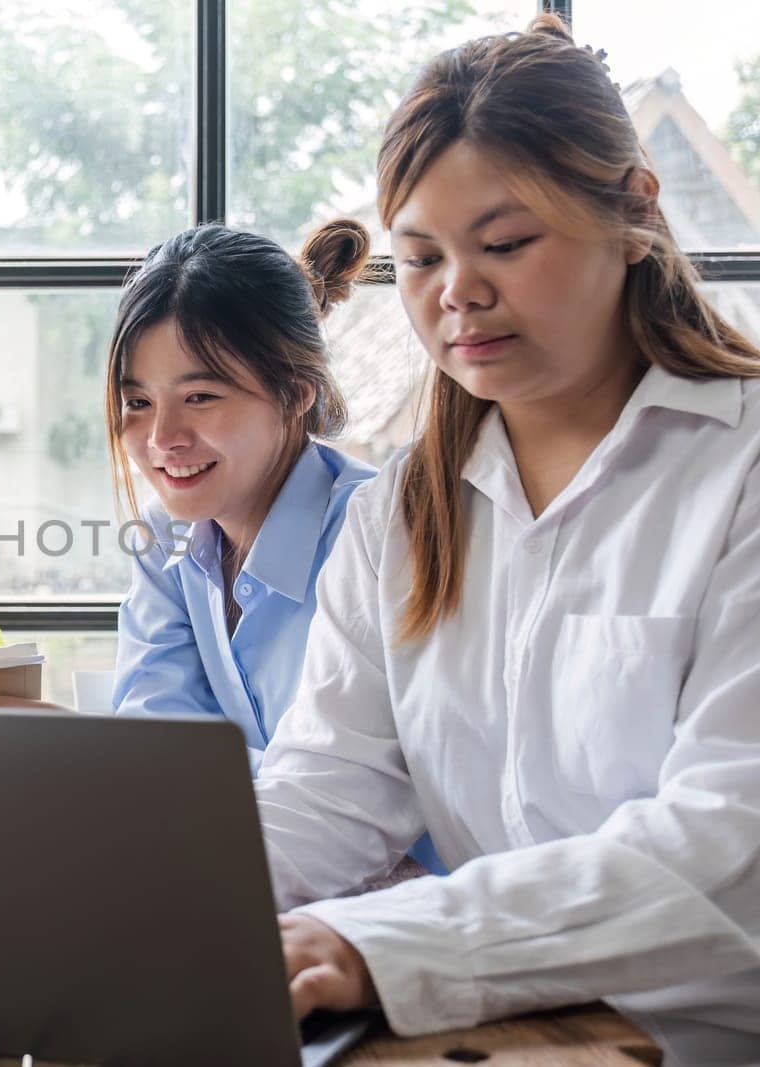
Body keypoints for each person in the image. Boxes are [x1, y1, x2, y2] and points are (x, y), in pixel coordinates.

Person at [262, 17, 760, 1064]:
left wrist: (375, 940)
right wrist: (156, 902)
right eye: (420, 257)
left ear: (634, 212)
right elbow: (326, 783)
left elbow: (727, 841)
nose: (458, 294)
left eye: (504, 243)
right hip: (518, 1034)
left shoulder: (742, 470)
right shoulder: (399, 510)